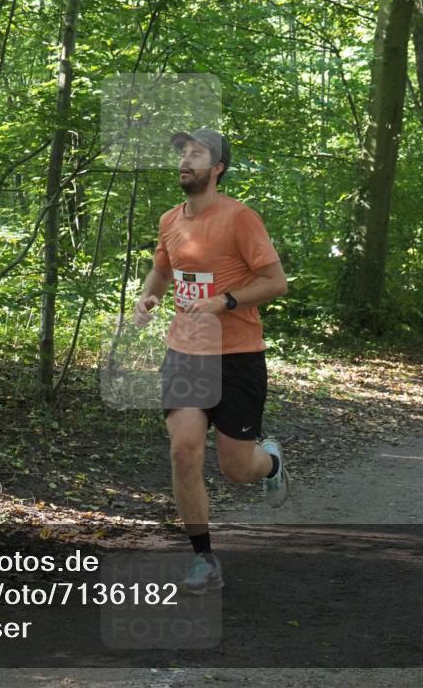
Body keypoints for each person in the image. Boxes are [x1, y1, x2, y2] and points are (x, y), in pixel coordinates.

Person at [133, 128, 289, 594]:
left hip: (237, 356)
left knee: (236, 469)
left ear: (217, 167)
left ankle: (272, 464)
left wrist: (225, 300)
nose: (185, 160)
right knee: (183, 449)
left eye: (196, 154)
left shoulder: (240, 219)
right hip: (185, 353)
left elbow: (275, 281)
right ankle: (203, 558)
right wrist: (148, 299)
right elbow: (163, 270)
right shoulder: (169, 220)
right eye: (181, 153)